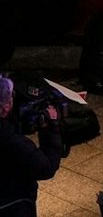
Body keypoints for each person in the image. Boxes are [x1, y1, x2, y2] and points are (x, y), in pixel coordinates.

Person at [0, 72, 64, 217]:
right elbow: (45, 168)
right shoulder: (12, 142)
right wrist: (51, 129)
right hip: (12, 205)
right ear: (6, 107)